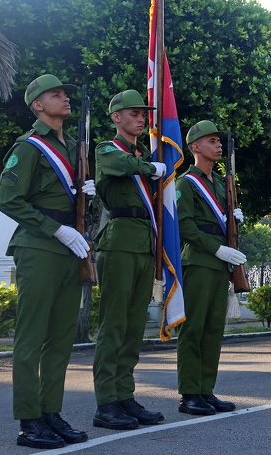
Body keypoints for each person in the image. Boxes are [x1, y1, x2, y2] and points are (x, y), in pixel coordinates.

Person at [0, 74, 94, 449]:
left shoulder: (75, 146)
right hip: (39, 247)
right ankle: (29, 420)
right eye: (56, 95)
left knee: (59, 340)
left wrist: (90, 191)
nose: (65, 99)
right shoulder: (28, 147)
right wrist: (55, 230)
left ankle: (50, 413)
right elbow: (8, 199)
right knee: (32, 337)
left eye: (66, 95)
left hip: (71, 249)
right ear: (37, 105)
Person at [92, 89, 167, 429]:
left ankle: (124, 395)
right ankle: (106, 402)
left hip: (143, 242)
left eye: (143, 114)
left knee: (135, 326)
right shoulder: (108, 149)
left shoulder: (143, 155)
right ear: (116, 118)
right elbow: (116, 165)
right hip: (119, 240)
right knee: (114, 325)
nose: (141, 118)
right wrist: (150, 165)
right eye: (134, 113)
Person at [175, 121, 246, 414]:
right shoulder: (186, 182)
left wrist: (235, 220)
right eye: (212, 141)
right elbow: (185, 226)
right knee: (194, 329)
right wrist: (216, 247)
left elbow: (224, 223)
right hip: (200, 261)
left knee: (214, 330)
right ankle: (190, 393)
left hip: (220, 263)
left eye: (219, 141)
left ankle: (206, 390)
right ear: (195, 147)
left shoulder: (220, 182)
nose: (218, 145)